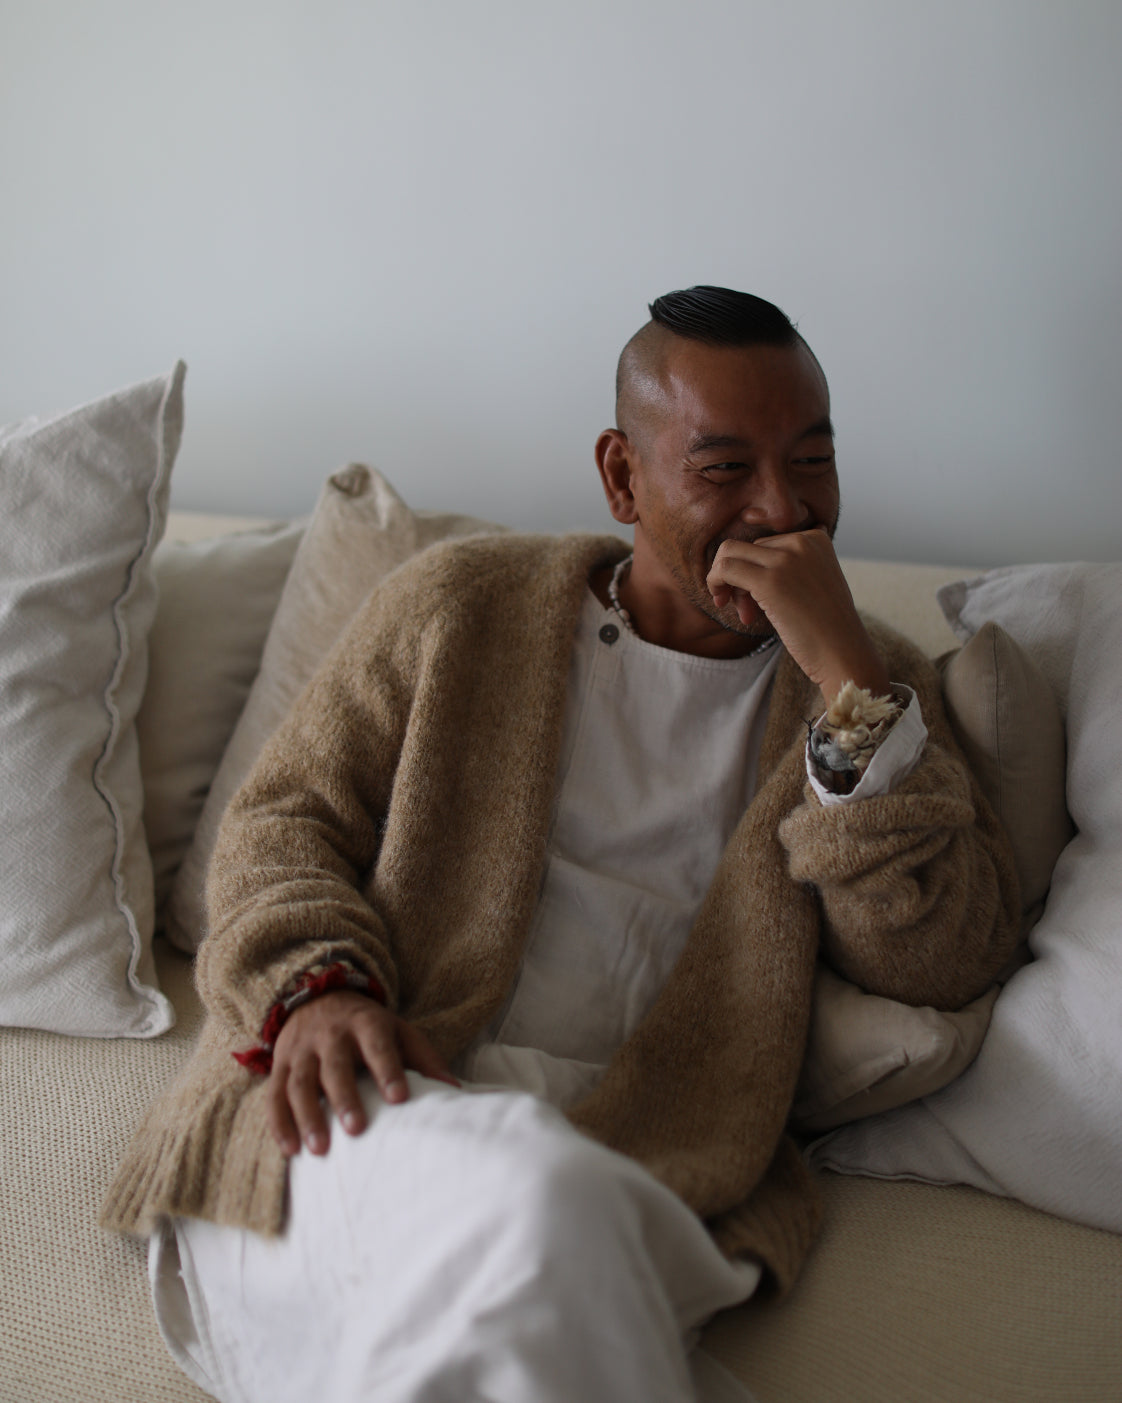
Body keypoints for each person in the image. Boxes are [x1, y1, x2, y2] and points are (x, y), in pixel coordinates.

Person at [104, 287, 1021, 1403]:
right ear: (623, 477)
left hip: (639, 1157)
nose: (785, 510)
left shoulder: (871, 686)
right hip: (373, 1107)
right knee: (540, 1208)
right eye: (725, 468)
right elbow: (280, 819)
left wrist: (853, 698)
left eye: (813, 462)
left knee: (550, 1218)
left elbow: (947, 960)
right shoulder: (461, 604)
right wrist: (320, 987)